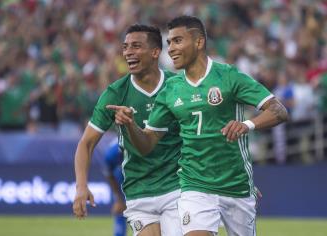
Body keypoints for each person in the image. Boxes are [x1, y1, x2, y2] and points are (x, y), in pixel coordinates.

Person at [107, 16, 289, 236]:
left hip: (236, 185)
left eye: (177, 41)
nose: (171, 49)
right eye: (169, 43)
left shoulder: (229, 76)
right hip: (194, 185)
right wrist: (130, 125)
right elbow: (147, 144)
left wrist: (246, 124)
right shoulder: (171, 89)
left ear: (199, 42)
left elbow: (278, 110)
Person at [73, 24, 183, 236]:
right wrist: (80, 187)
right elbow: (86, 144)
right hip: (138, 190)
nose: (128, 52)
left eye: (136, 46)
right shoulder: (115, 93)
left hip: (177, 187)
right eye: (125, 47)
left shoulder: (178, 86)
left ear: (155, 52)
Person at [102, 138, 127, 236]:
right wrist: (119, 199)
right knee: (120, 211)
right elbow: (109, 174)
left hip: (143, 175)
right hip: (121, 176)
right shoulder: (112, 154)